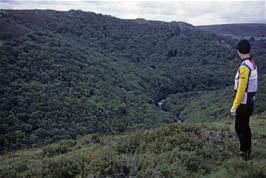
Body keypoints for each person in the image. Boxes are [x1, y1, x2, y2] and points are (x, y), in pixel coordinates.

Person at [230, 39, 258, 161]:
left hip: (243, 103)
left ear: (238, 51)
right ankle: (247, 150)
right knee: (245, 126)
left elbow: (241, 89)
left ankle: (244, 152)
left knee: (239, 127)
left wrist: (234, 106)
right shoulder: (252, 63)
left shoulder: (244, 67)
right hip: (250, 101)